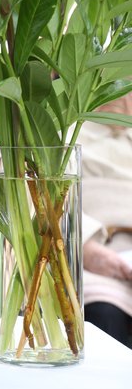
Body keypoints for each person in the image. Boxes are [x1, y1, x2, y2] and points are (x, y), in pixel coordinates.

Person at [80, 93, 132, 348]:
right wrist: (86, 249)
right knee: (104, 312)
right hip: (88, 255)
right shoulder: (66, 135)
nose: (123, 98)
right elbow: (45, 203)